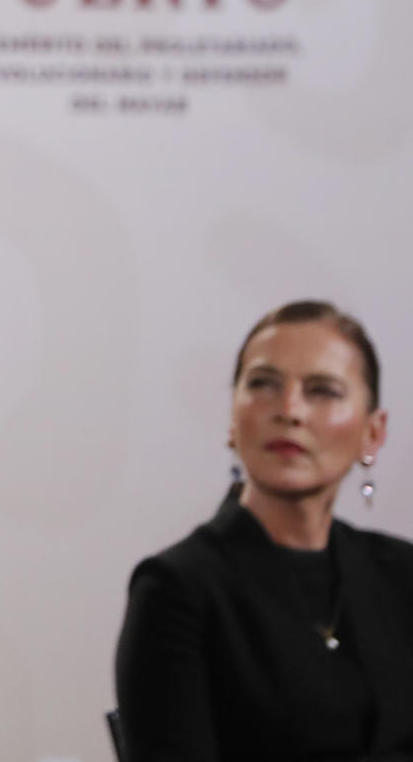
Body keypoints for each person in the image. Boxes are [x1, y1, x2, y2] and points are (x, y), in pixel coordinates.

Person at [115, 301, 413, 761]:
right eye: (263, 385)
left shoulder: (402, 574)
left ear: (373, 433)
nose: (290, 410)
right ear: (233, 421)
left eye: (322, 390)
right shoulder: (178, 589)